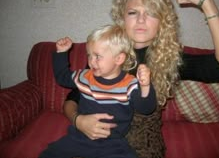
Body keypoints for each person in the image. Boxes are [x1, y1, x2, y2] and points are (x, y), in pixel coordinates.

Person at [61, 0, 219, 158]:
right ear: (122, 18)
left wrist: (207, 2)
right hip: (92, 142)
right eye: (133, 12)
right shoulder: (105, 52)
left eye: (151, 13)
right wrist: (79, 121)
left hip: (142, 147)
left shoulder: (170, 59)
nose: (141, 20)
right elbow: (72, 98)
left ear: (162, 22)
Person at [39, 24, 157, 158]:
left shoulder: (129, 84)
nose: (91, 62)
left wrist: (146, 86)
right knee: (49, 154)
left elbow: (146, 108)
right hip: (79, 138)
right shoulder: (85, 77)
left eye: (97, 56)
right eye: (89, 55)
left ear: (119, 59)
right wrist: (61, 53)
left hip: (114, 143)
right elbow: (62, 78)